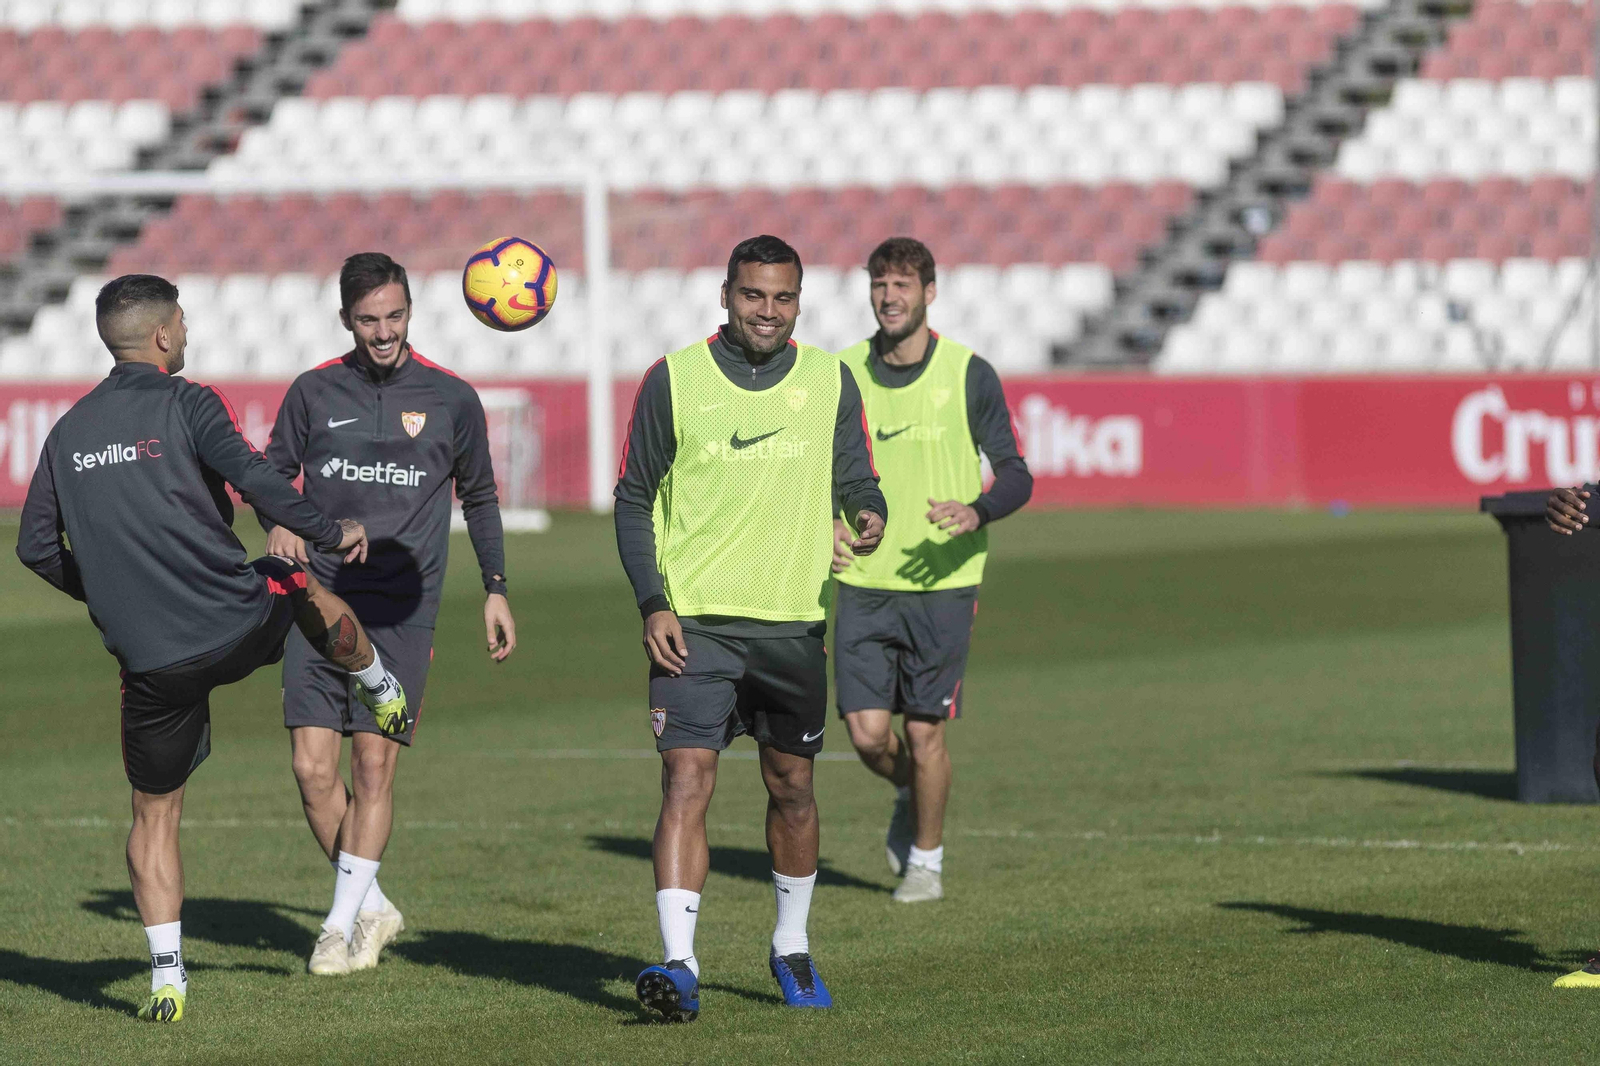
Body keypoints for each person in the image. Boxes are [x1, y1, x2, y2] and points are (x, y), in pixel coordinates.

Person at [15, 274, 408, 1024]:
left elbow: (36, 547)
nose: (188, 333)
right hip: (233, 620)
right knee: (301, 584)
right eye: (184, 323)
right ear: (164, 336)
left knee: (152, 814)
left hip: (152, 659)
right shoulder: (188, 400)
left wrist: (106, 593)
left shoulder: (65, 432)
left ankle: (167, 980)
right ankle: (381, 687)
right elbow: (257, 479)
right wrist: (333, 530)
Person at [614, 235, 887, 1022]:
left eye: (782, 298)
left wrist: (868, 515)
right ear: (725, 294)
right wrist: (652, 603)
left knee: (793, 790)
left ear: (798, 300)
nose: (767, 312)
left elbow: (858, 478)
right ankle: (679, 964)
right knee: (685, 781)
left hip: (793, 627)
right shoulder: (672, 380)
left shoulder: (832, 380)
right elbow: (634, 499)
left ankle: (791, 948)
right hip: (694, 627)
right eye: (752, 296)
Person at [258, 252, 514, 976]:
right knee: (313, 770)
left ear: (411, 311)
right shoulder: (312, 391)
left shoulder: (451, 398)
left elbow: (483, 496)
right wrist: (277, 518)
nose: (383, 332)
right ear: (346, 319)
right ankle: (372, 905)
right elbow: (273, 472)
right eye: (368, 319)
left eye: (394, 316)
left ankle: (337, 928)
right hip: (317, 599)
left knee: (372, 766)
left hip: (404, 611)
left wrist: (496, 587)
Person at [831, 237, 1033, 903]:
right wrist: (824, 527)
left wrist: (977, 511)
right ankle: (908, 796)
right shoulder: (840, 373)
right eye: (879, 284)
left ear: (929, 293)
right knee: (865, 736)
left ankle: (927, 862)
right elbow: (810, 473)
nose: (889, 297)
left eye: (902, 285)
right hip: (862, 580)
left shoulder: (969, 373)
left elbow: (1017, 474)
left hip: (943, 582)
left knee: (923, 732)